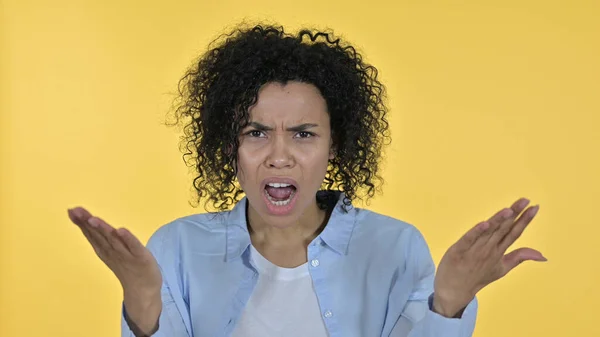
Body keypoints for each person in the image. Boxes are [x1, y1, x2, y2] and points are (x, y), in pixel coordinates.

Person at [67, 24, 546, 337]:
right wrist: (144, 302)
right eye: (256, 132)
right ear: (228, 145)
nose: (279, 157)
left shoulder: (395, 246)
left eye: (303, 134)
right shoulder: (177, 247)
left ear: (334, 146)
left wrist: (450, 304)